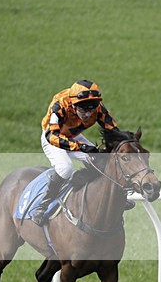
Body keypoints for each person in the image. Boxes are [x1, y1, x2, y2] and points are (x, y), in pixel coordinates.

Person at [30, 79, 120, 226]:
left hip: (72, 135)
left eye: (91, 110)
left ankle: (111, 196)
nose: (88, 114)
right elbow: (51, 136)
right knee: (66, 168)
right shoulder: (59, 105)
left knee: (102, 160)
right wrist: (81, 147)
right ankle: (41, 207)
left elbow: (113, 130)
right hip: (53, 137)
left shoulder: (97, 107)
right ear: (73, 104)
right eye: (83, 110)